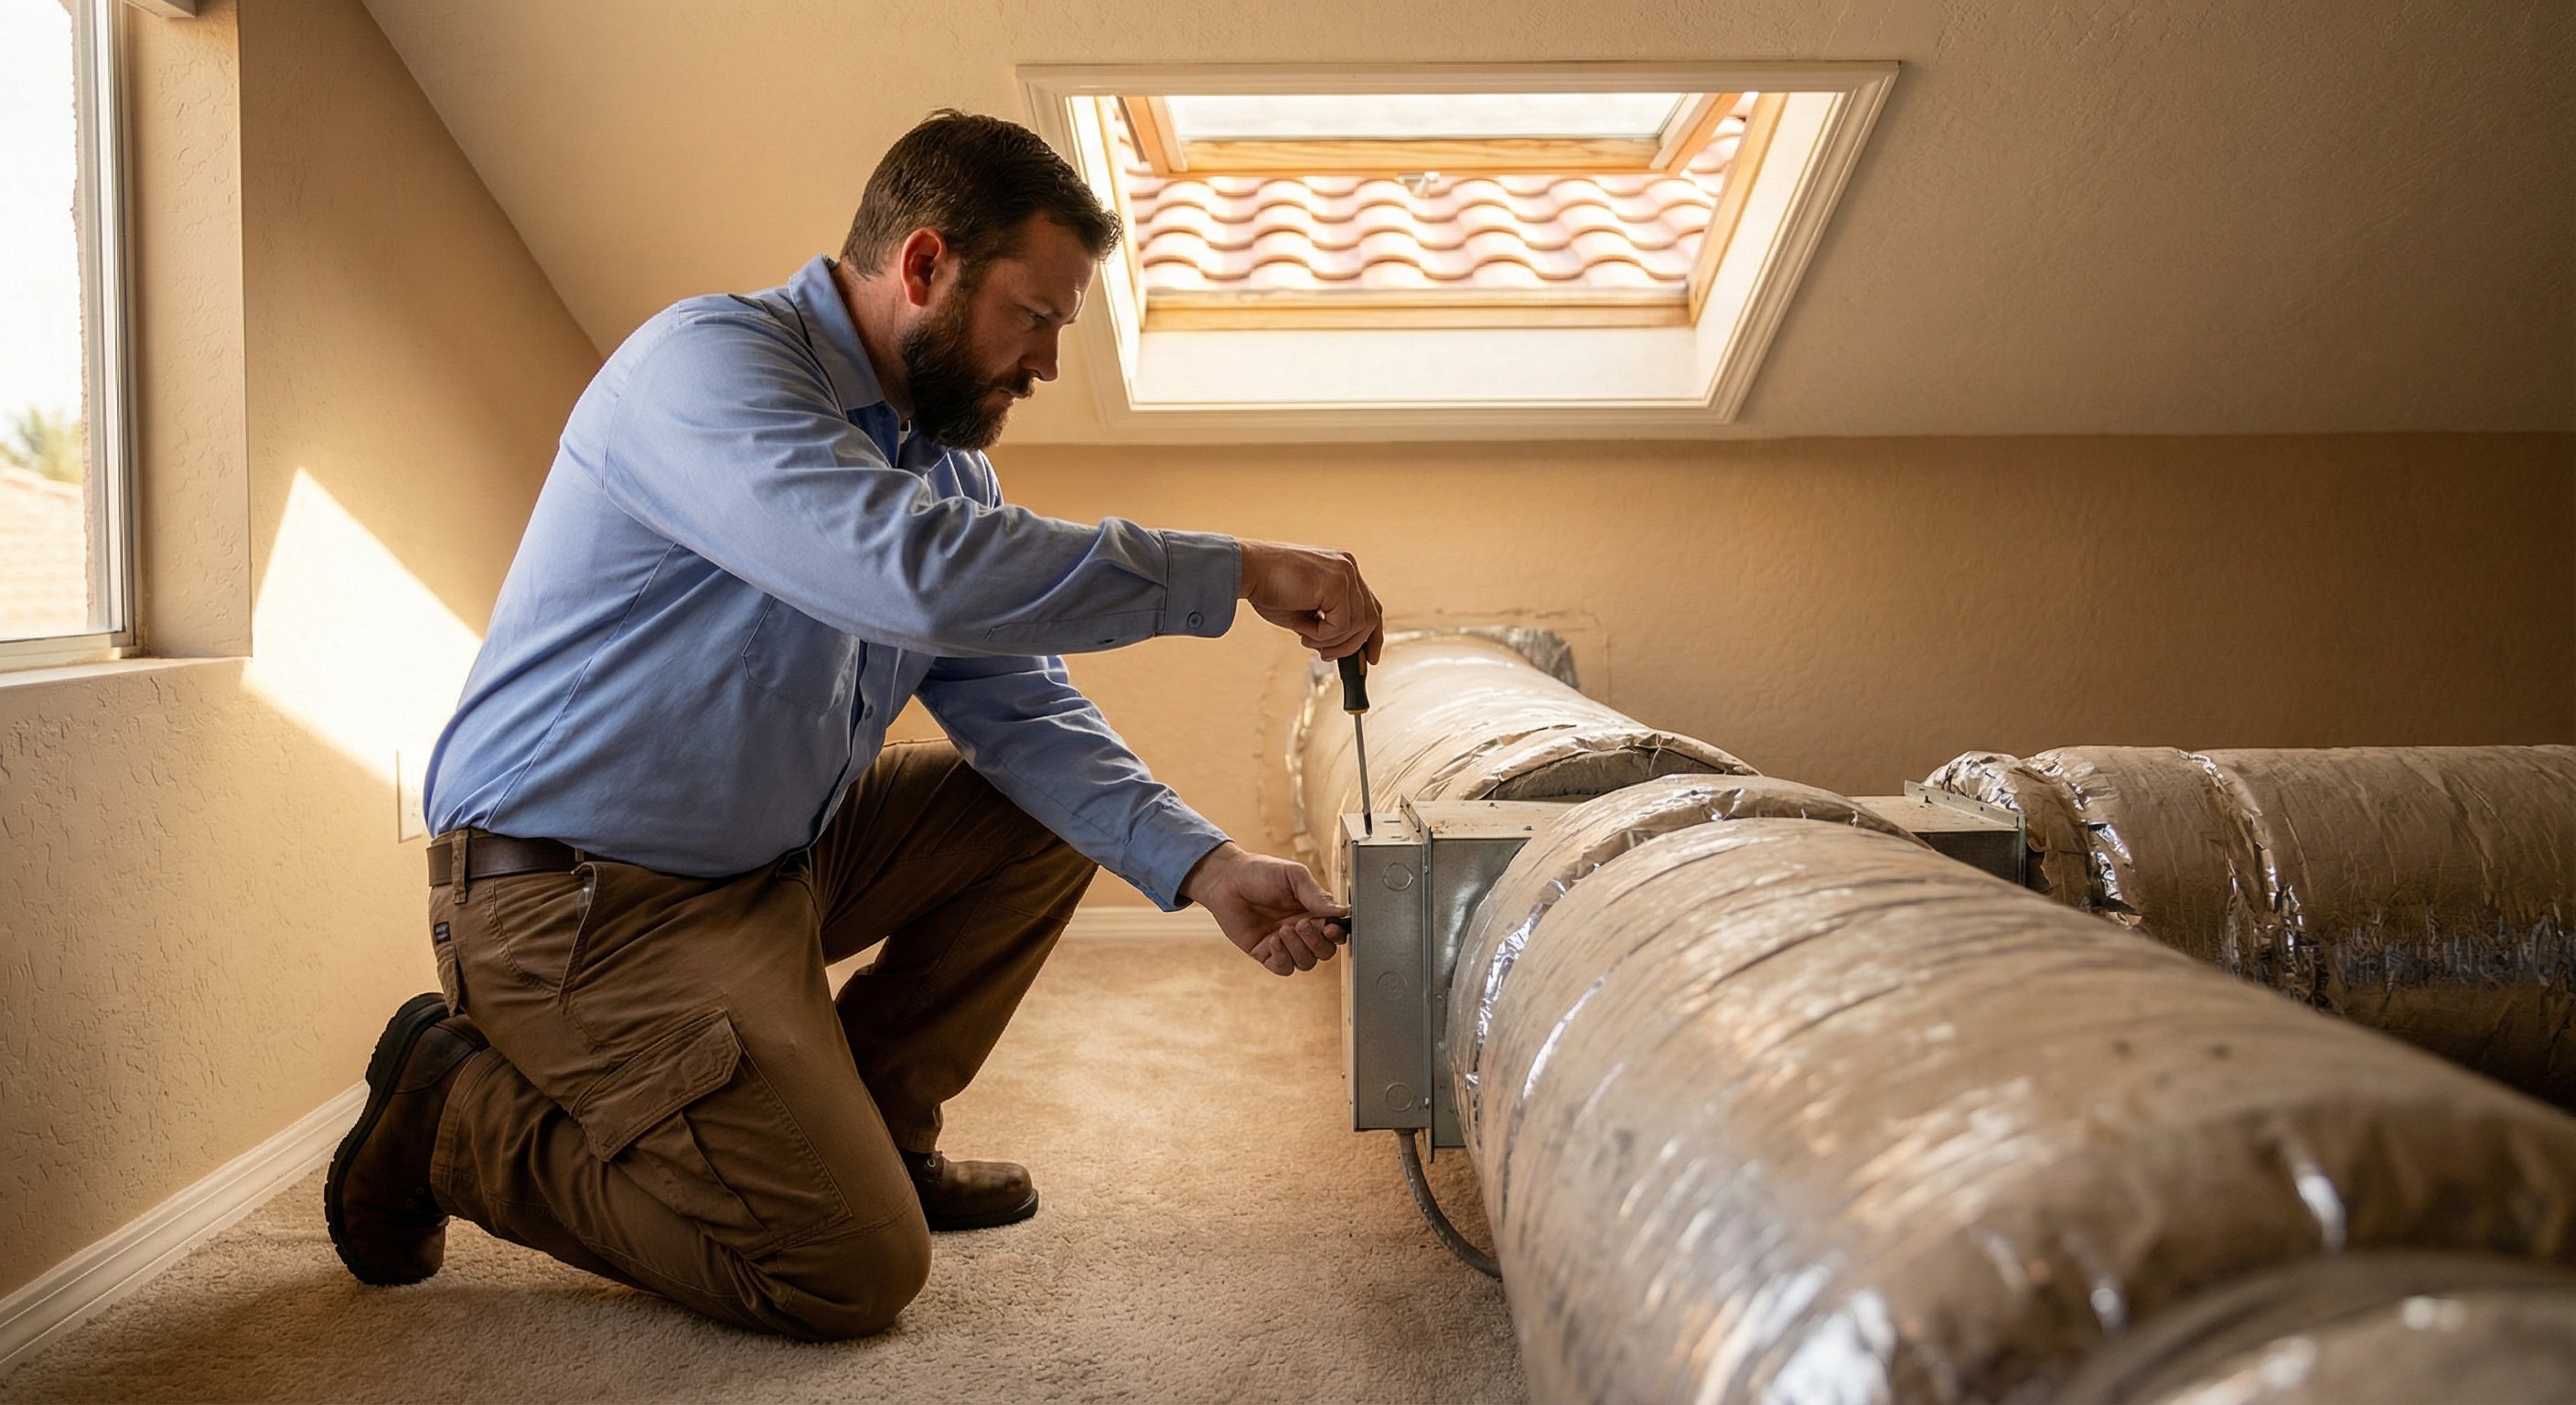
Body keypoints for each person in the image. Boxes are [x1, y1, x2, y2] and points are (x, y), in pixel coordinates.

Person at [321, 109, 1382, 1340]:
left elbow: (1021, 705)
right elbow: (912, 573)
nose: (1046, 365)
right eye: (1033, 318)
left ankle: (875, 1131)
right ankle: (455, 1115)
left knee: (1037, 814)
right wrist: (1234, 570)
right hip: (574, 906)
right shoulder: (707, 370)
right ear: (925, 267)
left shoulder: (939, 464)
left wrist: (1202, 866)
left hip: (764, 868)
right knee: (845, 1271)